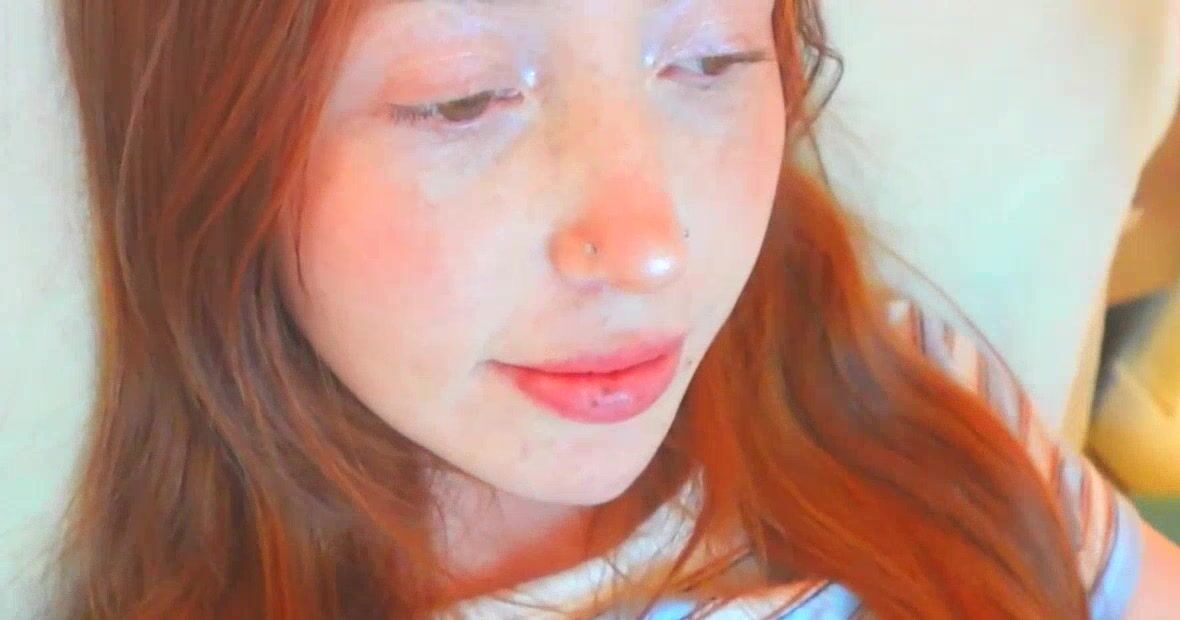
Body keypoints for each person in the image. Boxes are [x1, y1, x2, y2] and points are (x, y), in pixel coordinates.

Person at [50, 0, 1180, 617]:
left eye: (711, 62)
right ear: (210, 148)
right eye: (463, 99)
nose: (649, 252)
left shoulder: (905, 404)